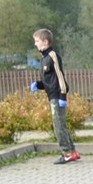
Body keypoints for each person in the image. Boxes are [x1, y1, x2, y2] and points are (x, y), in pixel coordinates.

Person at [32, 28, 80, 164]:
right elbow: (49, 81)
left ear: (45, 41)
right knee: (61, 125)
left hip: (57, 96)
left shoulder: (53, 56)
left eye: (37, 41)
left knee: (58, 126)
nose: (35, 44)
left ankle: (67, 153)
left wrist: (63, 95)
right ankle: (72, 151)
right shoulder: (43, 59)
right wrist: (38, 84)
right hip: (51, 95)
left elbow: (60, 77)